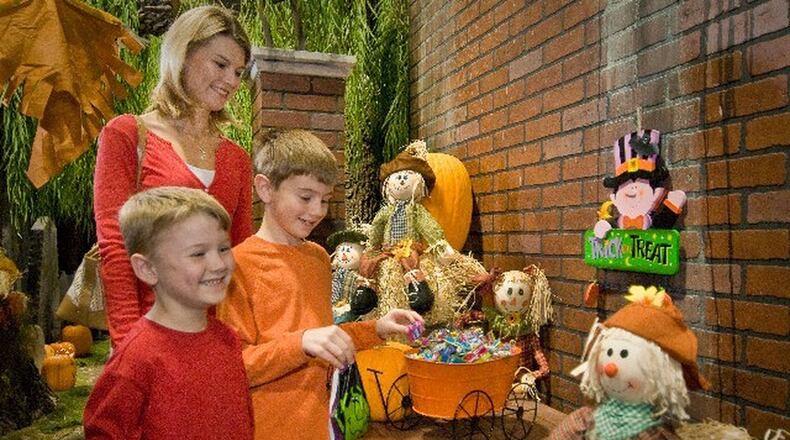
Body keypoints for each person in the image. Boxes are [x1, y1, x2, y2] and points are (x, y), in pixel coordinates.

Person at [217, 129, 423, 440]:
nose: (316, 211)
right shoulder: (236, 266)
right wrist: (299, 344)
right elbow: (232, 369)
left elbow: (323, 336)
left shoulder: (317, 258)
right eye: (305, 197)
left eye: (325, 200)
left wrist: (377, 328)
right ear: (265, 188)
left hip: (324, 424)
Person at [93, 5, 254, 348]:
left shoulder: (238, 160)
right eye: (221, 64)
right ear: (182, 55)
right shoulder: (126, 135)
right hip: (151, 335)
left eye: (239, 72)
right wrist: (128, 343)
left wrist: (239, 340)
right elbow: (116, 247)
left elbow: (239, 258)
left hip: (217, 340)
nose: (231, 81)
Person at [83, 187, 253, 439]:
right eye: (198, 253)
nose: (218, 265)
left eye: (224, 249)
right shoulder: (136, 360)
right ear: (147, 268)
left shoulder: (227, 339)